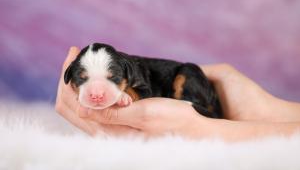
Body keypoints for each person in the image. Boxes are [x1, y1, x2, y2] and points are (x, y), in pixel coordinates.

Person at [55, 47, 300, 141]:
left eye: (112, 79)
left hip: (185, 86)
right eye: (83, 81)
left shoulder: (134, 73)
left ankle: (199, 109)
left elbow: (144, 94)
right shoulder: (123, 67)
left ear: (127, 73)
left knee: (188, 72)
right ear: (71, 78)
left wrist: (206, 128)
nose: (97, 93)